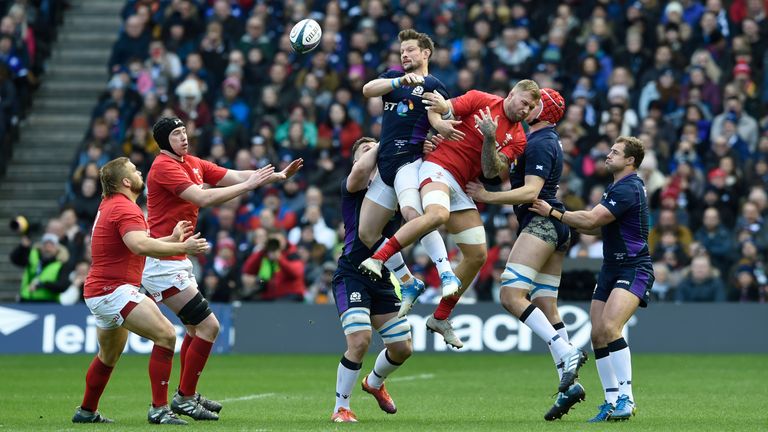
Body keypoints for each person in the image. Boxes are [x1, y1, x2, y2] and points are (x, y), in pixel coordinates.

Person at [359, 79, 541, 349]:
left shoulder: (519, 138)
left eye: (530, 107)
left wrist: (490, 137)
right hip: (437, 168)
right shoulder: (481, 99)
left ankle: (441, 317)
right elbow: (439, 108)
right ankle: (378, 258)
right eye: (523, 102)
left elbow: (491, 172)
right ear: (511, 94)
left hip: (463, 187)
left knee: (477, 255)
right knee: (437, 215)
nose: (525, 110)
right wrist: (440, 123)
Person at [142, 117, 302, 421]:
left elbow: (234, 174)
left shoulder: (191, 161)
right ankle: (183, 398)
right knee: (209, 326)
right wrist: (249, 186)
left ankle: (184, 396)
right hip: (162, 260)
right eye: (176, 135)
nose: (184, 138)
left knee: (194, 328)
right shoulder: (163, 167)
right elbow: (202, 196)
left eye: (185, 132)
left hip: (177, 256)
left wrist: (275, 176)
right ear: (164, 142)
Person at [466, 88, 587, 420]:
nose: (528, 108)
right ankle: (570, 383)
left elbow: (531, 191)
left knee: (509, 294)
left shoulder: (540, 142)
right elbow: (505, 172)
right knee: (546, 305)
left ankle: (567, 351)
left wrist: (486, 197)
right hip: (555, 230)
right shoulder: (536, 140)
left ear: (543, 111)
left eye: (536, 104)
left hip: (541, 225)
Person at [72, 157, 210, 425]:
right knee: (167, 335)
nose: (140, 173)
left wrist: (170, 240)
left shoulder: (113, 205)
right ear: (125, 181)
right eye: (135, 171)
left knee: (108, 355)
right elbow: (138, 246)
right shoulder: (125, 208)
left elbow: (135, 242)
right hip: (115, 291)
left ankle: (86, 411)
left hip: (101, 291)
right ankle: (159, 409)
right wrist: (184, 248)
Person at [530, 135, 655, 422]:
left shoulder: (629, 188)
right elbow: (592, 227)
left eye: (615, 152)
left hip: (634, 267)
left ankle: (627, 398)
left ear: (630, 160)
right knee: (597, 334)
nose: (608, 155)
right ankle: (611, 401)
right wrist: (570, 216)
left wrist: (553, 211)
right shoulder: (617, 187)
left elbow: (591, 221)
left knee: (611, 327)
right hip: (611, 268)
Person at [359, 29, 463, 317]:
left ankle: (446, 273)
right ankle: (408, 282)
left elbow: (440, 119)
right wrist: (396, 79)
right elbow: (367, 89)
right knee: (367, 232)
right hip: (385, 165)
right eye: (402, 50)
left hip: (409, 161)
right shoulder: (391, 78)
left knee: (412, 216)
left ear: (425, 53)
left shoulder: (433, 85)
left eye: (411, 50)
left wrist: (439, 131)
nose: (405, 55)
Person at [330, 137, 415, 423]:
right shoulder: (354, 187)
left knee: (403, 348)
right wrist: (387, 139)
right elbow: (358, 173)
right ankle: (341, 407)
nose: (371, 153)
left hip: (381, 277)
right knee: (360, 340)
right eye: (364, 151)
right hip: (352, 274)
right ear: (357, 161)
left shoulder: (392, 191)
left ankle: (375, 382)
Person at [10, 230, 74, 302]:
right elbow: (15, 259)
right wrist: (23, 247)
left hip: (48, 303)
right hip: (26, 300)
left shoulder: (62, 264)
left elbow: (63, 285)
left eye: (51, 245)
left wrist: (43, 284)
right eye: (45, 245)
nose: (48, 248)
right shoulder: (33, 259)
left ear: (57, 248)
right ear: (41, 247)